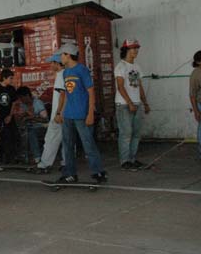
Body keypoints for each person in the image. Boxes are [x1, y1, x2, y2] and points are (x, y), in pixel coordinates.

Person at [56, 44, 108, 184]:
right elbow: (67, 94)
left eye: (62, 55)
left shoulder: (82, 70)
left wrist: (90, 113)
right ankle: (70, 173)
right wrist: (61, 112)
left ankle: (98, 172)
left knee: (88, 144)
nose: (60, 57)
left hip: (81, 114)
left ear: (68, 55)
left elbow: (91, 92)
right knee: (67, 145)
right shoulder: (65, 72)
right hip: (68, 115)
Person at [114, 38, 150, 170]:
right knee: (126, 133)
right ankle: (125, 161)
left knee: (136, 133)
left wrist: (145, 103)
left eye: (137, 48)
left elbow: (139, 86)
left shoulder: (137, 67)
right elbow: (120, 87)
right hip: (123, 105)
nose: (136, 51)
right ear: (126, 50)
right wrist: (129, 103)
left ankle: (132, 159)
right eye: (133, 48)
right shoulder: (120, 67)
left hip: (137, 103)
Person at [35, 54, 67, 174]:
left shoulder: (60, 75)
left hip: (58, 114)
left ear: (57, 63)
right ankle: (66, 163)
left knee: (51, 139)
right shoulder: (67, 74)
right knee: (66, 139)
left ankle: (44, 164)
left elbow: (62, 95)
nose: (50, 65)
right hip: (66, 113)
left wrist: (58, 113)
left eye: (52, 63)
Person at [13, 86, 45, 165]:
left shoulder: (37, 103)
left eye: (21, 97)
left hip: (41, 126)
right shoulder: (23, 105)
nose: (21, 100)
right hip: (29, 126)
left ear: (27, 96)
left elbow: (45, 119)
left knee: (31, 132)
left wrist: (31, 117)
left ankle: (37, 158)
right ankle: (21, 156)